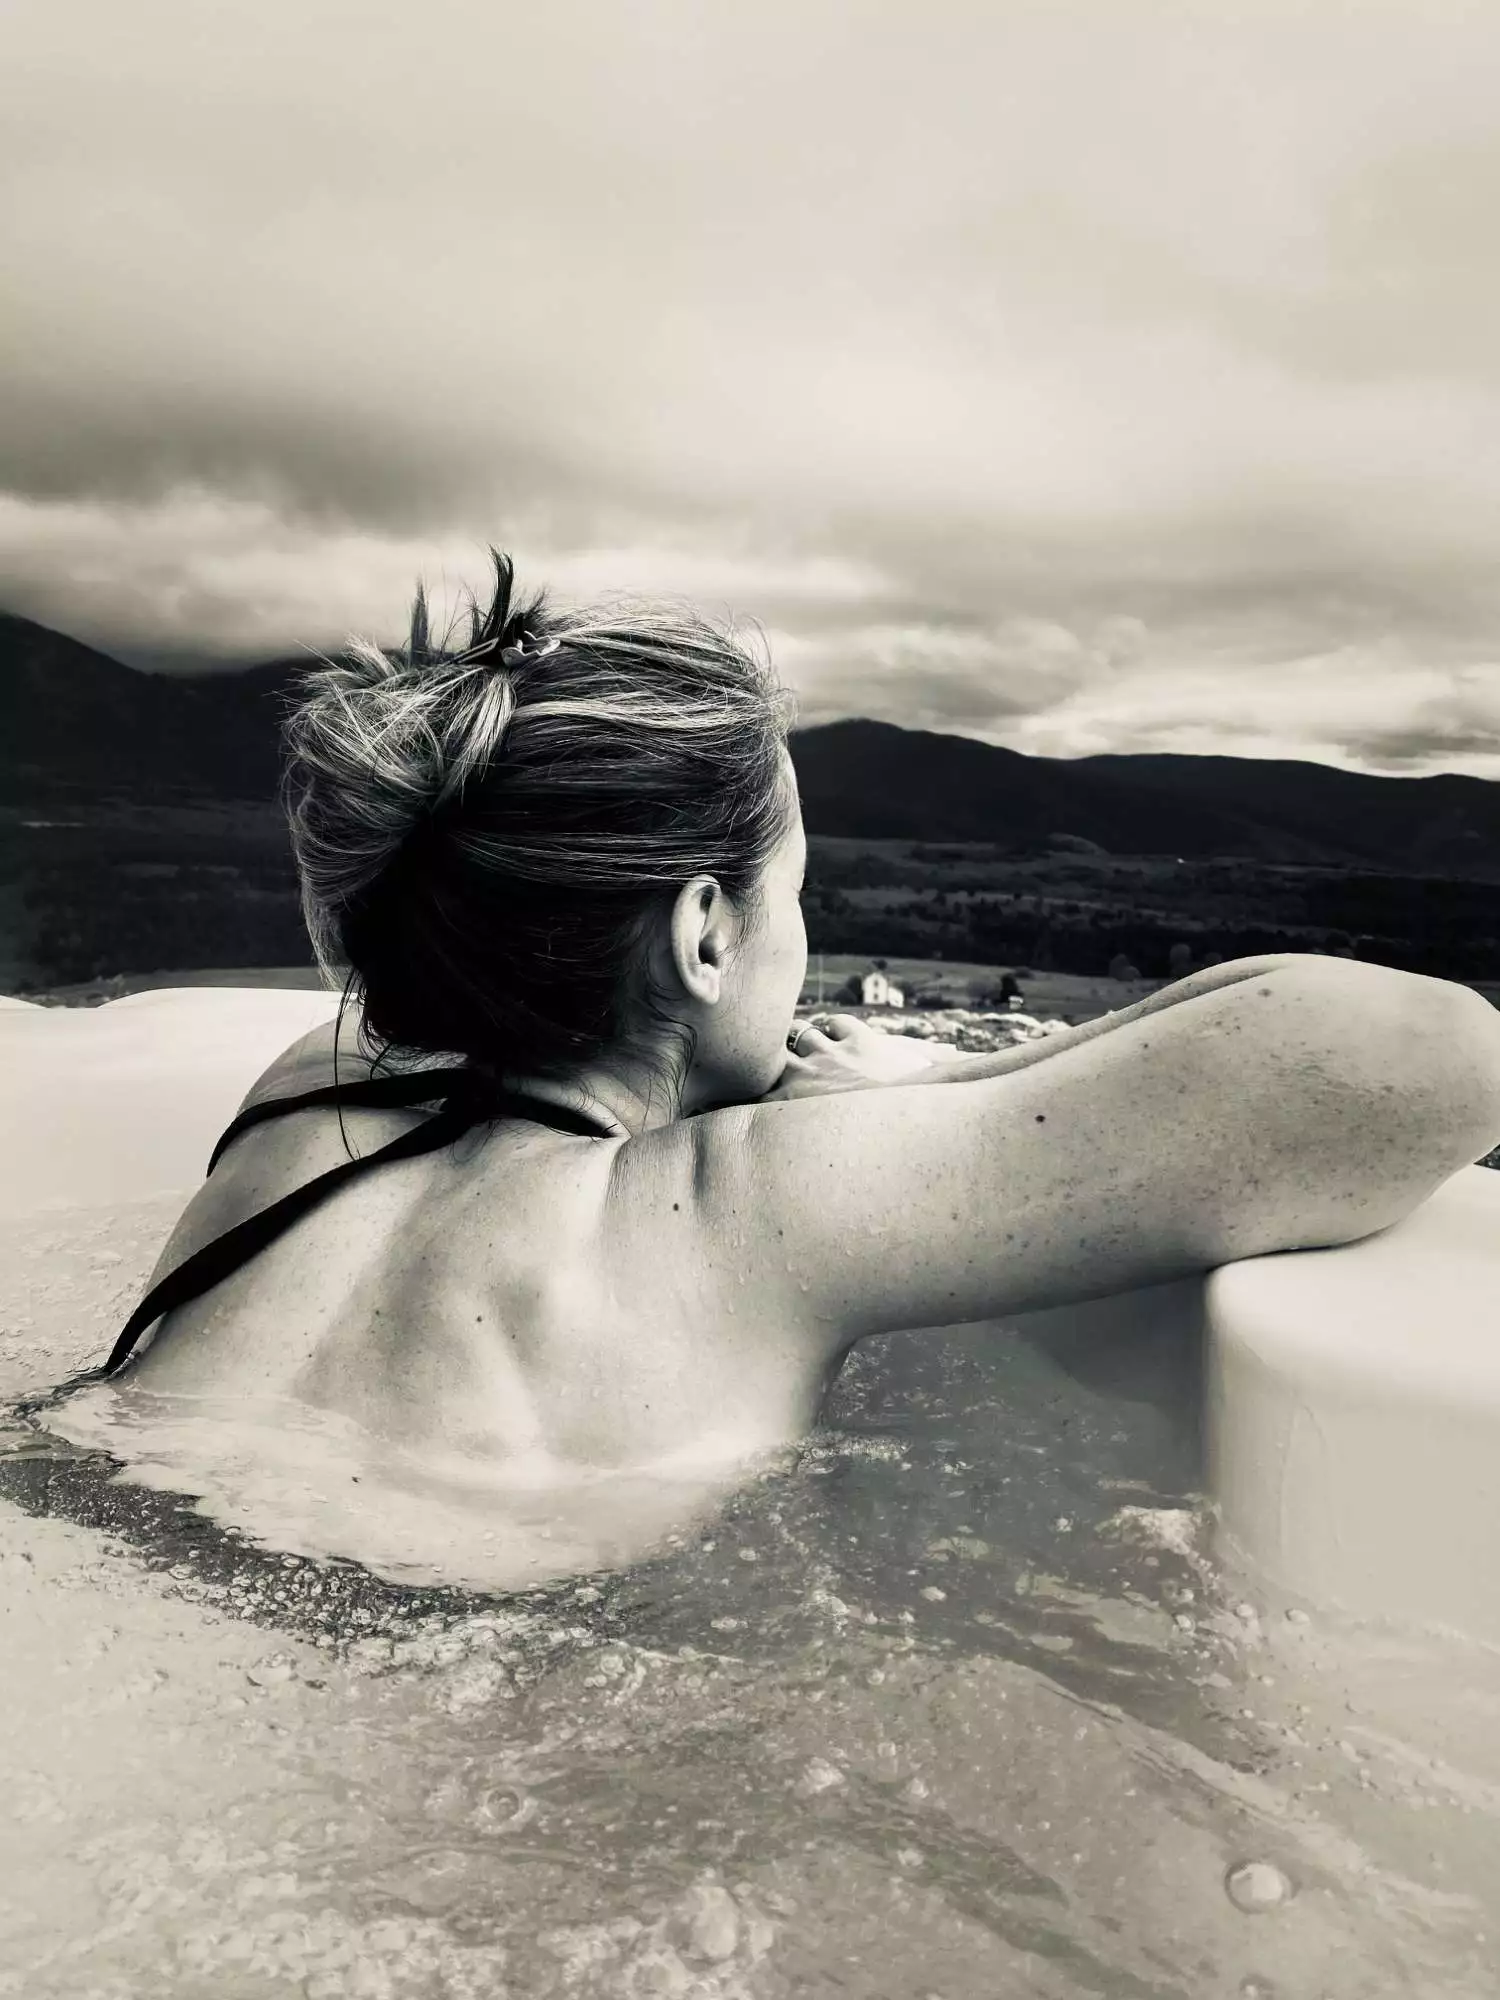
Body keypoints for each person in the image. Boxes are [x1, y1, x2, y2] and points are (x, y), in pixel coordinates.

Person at [96, 552, 1500, 1482]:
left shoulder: (306, 1091)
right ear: (707, 934)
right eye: (795, 895)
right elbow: (1424, 1055)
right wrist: (931, 1085)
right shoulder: (736, 1207)